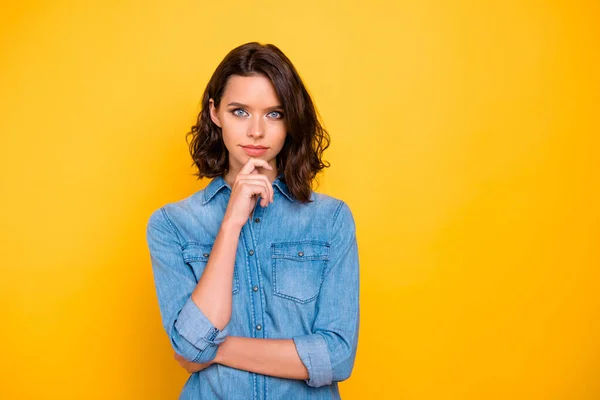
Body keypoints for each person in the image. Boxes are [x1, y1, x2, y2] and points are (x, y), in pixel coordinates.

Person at [146, 42, 360, 400]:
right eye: (240, 111)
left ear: (291, 118)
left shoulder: (331, 220)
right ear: (215, 112)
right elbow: (188, 346)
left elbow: (336, 357)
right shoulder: (172, 225)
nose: (257, 131)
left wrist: (217, 349)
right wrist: (231, 223)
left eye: (274, 113)